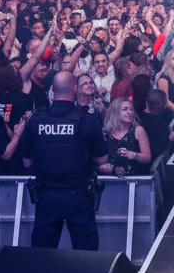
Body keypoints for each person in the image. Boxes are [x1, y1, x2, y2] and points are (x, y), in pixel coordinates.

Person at [20, 71, 109, 250]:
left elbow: (26, 163)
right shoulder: (87, 120)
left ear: (52, 89)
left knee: (42, 255)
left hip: (46, 197)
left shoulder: (36, 119)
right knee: (86, 256)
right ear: (75, 89)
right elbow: (103, 159)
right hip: (79, 196)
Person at [100, 98, 152, 177]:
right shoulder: (106, 133)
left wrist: (134, 155)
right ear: (115, 112)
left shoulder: (138, 130)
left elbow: (148, 158)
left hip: (135, 179)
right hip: (110, 180)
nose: (129, 112)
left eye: (131, 109)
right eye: (124, 109)